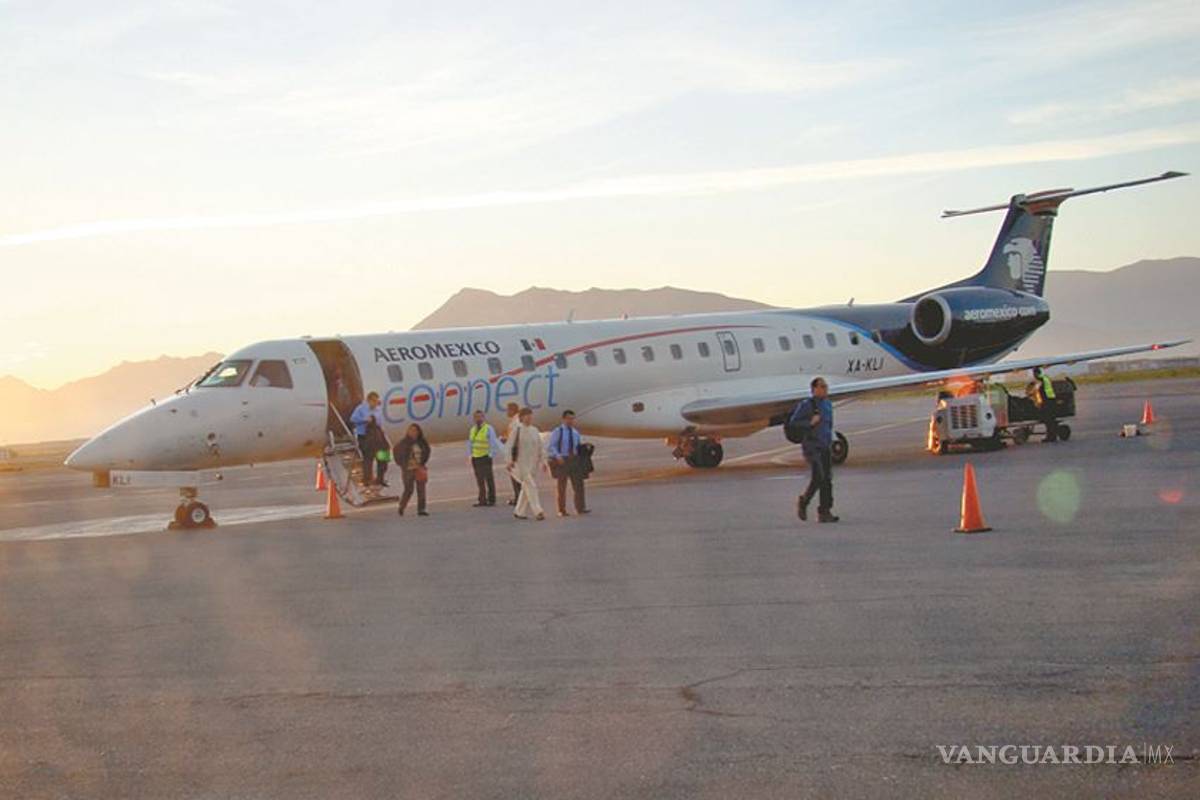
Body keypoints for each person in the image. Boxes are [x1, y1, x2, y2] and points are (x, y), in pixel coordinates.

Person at [790, 377, 838, 523]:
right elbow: (793, 422)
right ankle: (804, 501)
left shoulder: (828, 404)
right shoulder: (807, 405)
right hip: (812, 446)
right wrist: (809, 423)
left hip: (825, 445)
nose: (825, 389)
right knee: (819, 477)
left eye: (826, 386)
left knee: (827, 479)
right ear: (814, 389)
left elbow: (829, 425)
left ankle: (825, 511)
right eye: (822, 386)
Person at [506, 407, 546, 521]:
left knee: (526, 488)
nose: (529, 418)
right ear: (521, 418)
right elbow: (509, 447)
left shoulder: (534, 430)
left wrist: (544, 461)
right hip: (520, 464)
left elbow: (540, 447)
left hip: (532, 464)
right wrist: (509, 461)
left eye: (530, 416)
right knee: (531, 486)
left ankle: (519, 511)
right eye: (526, 416)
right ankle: (538, 511)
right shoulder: (517, 430)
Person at [547, 409, 590, 516]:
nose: (571, 421)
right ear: (563, 419)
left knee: (578, 485)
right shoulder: (558, 431)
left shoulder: (575, 432)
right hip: (562, 460)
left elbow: (578, 446)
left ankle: (580, 507)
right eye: (568, 419)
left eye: (572, 419)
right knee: (562, 487)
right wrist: (558, 456)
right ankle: (561, 509)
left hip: (574, 460)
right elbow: (551, 446)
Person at [466, 409, 503, 506]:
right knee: (480, 480)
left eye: (480, 417)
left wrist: (491, 455)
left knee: (489, 479)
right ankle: (482, 500)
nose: (478, 419)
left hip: (485, 456)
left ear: (483, 418)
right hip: (476, 457)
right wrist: (470, 455)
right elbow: (470, 443)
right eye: (476, 417)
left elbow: (493, 442)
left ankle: (491, 499)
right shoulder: (473, 429)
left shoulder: (488, 428)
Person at [393, 423, 431, 516]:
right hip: (408, 470)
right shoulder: (403, 443)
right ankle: (402, 506)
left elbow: (427, 451)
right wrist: (402, 464)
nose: (413, 432)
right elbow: (396, 453)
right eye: (411, 430)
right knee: (408, 489)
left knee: (421, 490)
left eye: (415, 430)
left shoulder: (422, 442)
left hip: (419, 468)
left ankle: (421, 509)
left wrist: (422, 463)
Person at [350, 392, 386, 486]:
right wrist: (365, 420)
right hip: (365, 436)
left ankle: (380, 478)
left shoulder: (378, 410)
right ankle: (367, 479)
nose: (375, 403)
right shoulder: (361, 408)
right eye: (373, 401)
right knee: (368, 458)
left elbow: (380, 422)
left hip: (377, 435)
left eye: (377, 401)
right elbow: (353, 419)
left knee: (382, 457)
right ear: (368, 400)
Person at [1031, 367, 1059, 442]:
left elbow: (1036, 390)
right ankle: (1053, 436)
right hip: (1051, 400)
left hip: (1047, 402)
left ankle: (1050, 437)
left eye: (1034, 374)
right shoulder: (1046, 378)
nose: (1034, 376)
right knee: (1052, 420)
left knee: (1048, 420)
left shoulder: (1040, 380)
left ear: (1036, 373)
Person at [503, 402, 522, 506]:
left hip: (515, 452)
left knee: (516, 476)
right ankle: (519, 496)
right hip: (515, 451)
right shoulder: (515, 421)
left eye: (508, 410)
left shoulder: (516, 421)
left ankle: (519, 497)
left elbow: (516, 437)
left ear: (512, 410)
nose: (507, 412)